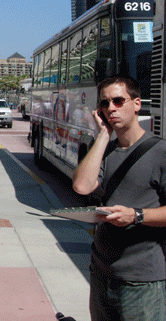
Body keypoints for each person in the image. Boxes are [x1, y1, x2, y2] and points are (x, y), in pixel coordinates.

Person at [72, 75, 166, 321]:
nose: (110, 108)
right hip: (102, 272)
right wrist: (103, 134)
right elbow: (82, 186)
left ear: (136, 104)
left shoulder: (161, 151)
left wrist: (136, 216)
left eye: (118, 101)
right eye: (104, 104)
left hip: (141, 280)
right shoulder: (106, 150)